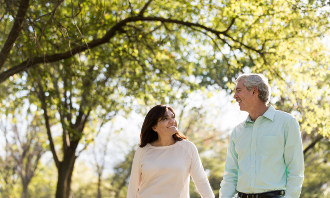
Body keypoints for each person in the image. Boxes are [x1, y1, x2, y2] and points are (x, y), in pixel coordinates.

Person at [219, 74, 304, 198]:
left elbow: (295, 169)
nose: (235, 96)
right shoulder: (237, 131)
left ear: (254, 91)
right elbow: (230, 175)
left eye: (238, 91)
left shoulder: (287, 123)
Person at [127, 105, 215, 198]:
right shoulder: (143, 150)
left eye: (172, 117)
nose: (172, 121)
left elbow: (201, 182)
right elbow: (133, 187)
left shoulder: (188, 148)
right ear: (154, 127)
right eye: (165, 118)